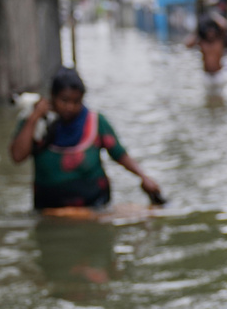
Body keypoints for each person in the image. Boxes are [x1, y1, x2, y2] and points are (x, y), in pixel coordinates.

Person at [10, 67, 163, 210]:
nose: (70, 107)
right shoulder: (36, 124)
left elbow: (119, 154)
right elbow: (18, 156)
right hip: (49, 208)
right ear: (52, 96)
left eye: (76, 102)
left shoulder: (96, 122)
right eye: (64, 100)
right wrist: (34, 117)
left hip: (95, 204)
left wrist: (143, 177)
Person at [185, 8, 227, 88]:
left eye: (212, 31)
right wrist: (198, 30)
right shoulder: (202, 42)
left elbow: (225, 25)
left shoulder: (219, 40)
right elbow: (187, 45)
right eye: (208, 31)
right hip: (206, 75)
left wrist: (213, 16)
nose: (210, 34)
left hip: (219, 74)